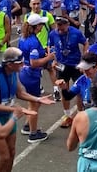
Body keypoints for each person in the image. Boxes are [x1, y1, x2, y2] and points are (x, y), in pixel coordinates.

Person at [0, 47, 55, 172]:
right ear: (9, 64)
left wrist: (38, 99)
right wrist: (18, 111)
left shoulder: (13, 72)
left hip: (9, 116)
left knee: (12, 152)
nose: (23, 65)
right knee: (4, 157)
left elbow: (20, 93)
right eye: (20, 63)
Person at [18, 13, 55, 143]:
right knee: (35, 103)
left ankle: (28, 125)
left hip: (24, 73)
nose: (42, 26)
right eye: (41, 24)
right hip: (31, 75)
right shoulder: (33, 41)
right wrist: (48, 58)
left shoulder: (23, 38)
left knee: (31, 101)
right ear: (36, 26)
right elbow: (34, 63)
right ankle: (33, 133)